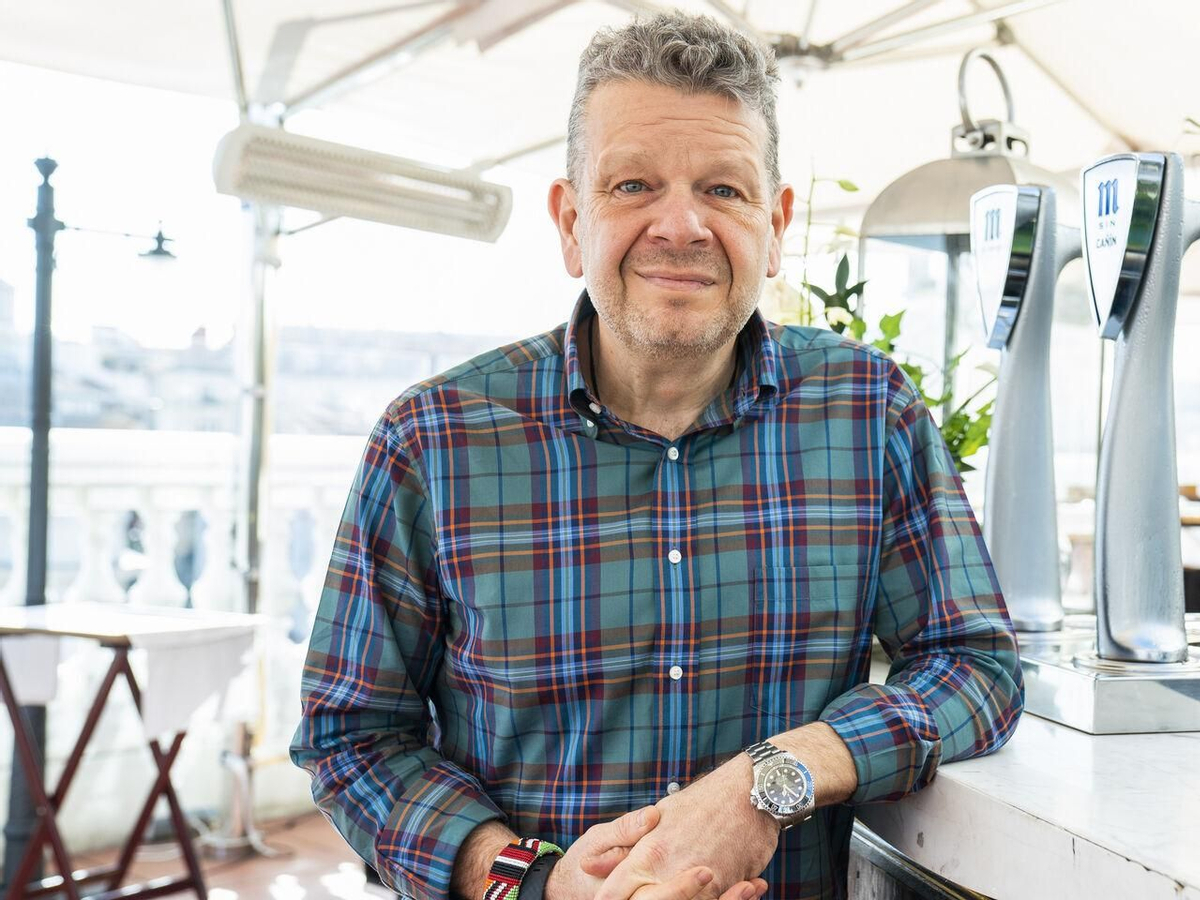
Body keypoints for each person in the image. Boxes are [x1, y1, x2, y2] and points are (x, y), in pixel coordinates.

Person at [290, 13, 1022, 900]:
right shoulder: (434, 440)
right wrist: (533, 880)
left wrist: (773, 778)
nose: (682, 225)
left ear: (777, 222)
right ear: (570, 222)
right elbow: (352, 735)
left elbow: (973, 665)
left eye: (724, 189)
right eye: (634, 184)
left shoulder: (868, 412)